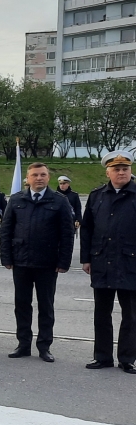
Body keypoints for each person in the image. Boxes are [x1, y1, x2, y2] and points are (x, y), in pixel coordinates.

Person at [0, 162, 75, 363]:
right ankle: (23, 344)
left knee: (46, 306)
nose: (39, 178)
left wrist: (64, 261)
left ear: (48, 177)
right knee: (22, 305)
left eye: (43, 174)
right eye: (35, 175)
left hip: (47, 263)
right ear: (28, 178)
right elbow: (6, 231)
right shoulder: (16, 200)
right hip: (21, 262)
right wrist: (6, 257)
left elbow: (67, 234)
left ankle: (44, 346)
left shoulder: (59, 201)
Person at [80, 150, 136, 374]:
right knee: (101, 314)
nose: (121, 172)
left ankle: (128, 358)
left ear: (130, 171)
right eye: (116, 169)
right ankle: (102, 356)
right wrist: (86, 258)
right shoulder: (97, 195)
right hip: (102, 262)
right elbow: (87, 229)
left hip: (131, 263)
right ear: (108, 172)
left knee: (131, 315)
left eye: (125, 169)